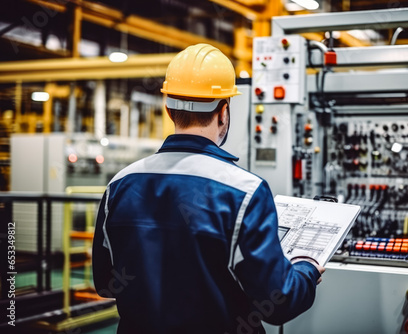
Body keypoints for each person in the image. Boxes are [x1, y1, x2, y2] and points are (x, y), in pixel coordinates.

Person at [92, 43, 325, 334]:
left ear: (168, 109)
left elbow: (105, 283)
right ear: (224, 111)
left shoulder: (119, 186)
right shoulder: (245, 192)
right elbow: (278, 303)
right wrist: (306, 269)